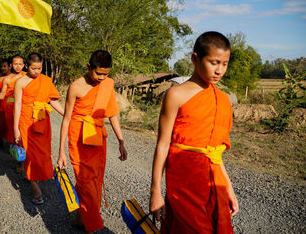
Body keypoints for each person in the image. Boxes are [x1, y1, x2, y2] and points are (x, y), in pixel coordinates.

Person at [149, 31, 239, 234]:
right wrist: (155, 191)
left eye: (225, 64)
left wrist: (229, 188)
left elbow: (215, 152)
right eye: (214, 62)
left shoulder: (223, 99)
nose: (219, 70)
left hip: (215, 181)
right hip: (185, 179)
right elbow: (163, 145)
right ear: (195, 58)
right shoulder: (176, 95)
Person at [57, 50, 127, 233]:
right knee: (85, 181)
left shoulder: (107, 85)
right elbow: (66, 119)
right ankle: (94, 226)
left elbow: (111, 114)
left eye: (106, 74)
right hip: (78, 138)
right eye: (98, 73)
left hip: (97, 138)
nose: (102, 78)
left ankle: (81, 219)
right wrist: (61, 152)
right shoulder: (76, 87)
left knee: (94, 181)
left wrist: (121, 140)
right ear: (89, 67)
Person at [13, 53, 64, 204]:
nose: (37, 71)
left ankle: (37, 175)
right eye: (34, 68)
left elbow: (53, 100)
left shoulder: (46, 80)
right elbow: (17, 105)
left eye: (40, 68)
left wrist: (66, 114)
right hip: (26, 120)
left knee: (43, 153)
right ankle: (36, 189)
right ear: (27, 67)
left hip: (42, 120)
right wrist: (16, 128)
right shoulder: (20, 82)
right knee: (30, 154)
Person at [0, 55, 25, 153]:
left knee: (22, 128)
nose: (18, 66)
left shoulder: (27, 77)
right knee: (12, 128)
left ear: (24, 65)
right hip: (11, 106)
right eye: (15, 64)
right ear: (11, 65)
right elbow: (2, 94)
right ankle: (16, 149)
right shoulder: (7, 79)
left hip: (24, 105)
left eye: (20, 64)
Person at [0, 58, 11, 148]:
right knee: (1, 121)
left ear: (10, 66)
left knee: (10, 122)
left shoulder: (14, 77)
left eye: (5, 66)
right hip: (1, 101)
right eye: (2, 67)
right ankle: (0, 140)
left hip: (10, 101)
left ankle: (10, 140)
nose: (3, 68)